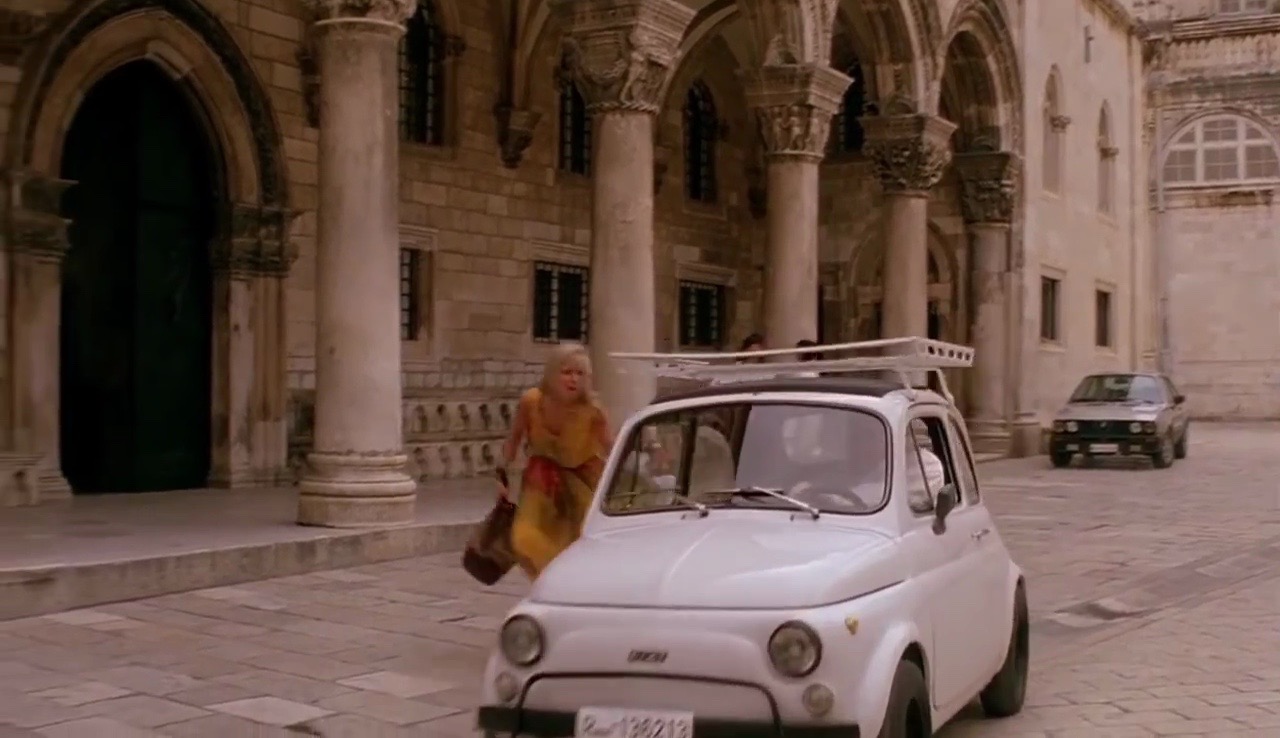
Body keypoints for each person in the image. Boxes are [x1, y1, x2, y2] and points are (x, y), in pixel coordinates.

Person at [502, 343, 613, 580]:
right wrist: (501, 478)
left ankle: (569, 583)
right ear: (552, 373)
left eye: (580, 373)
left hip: (583, 481)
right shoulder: (532, 401)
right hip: (541, 480)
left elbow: (611, 449)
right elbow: (513, 439)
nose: (573, 379)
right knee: (523, 537)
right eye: (567, 372)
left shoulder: (593, 411)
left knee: (579, 542)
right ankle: (551, 579)